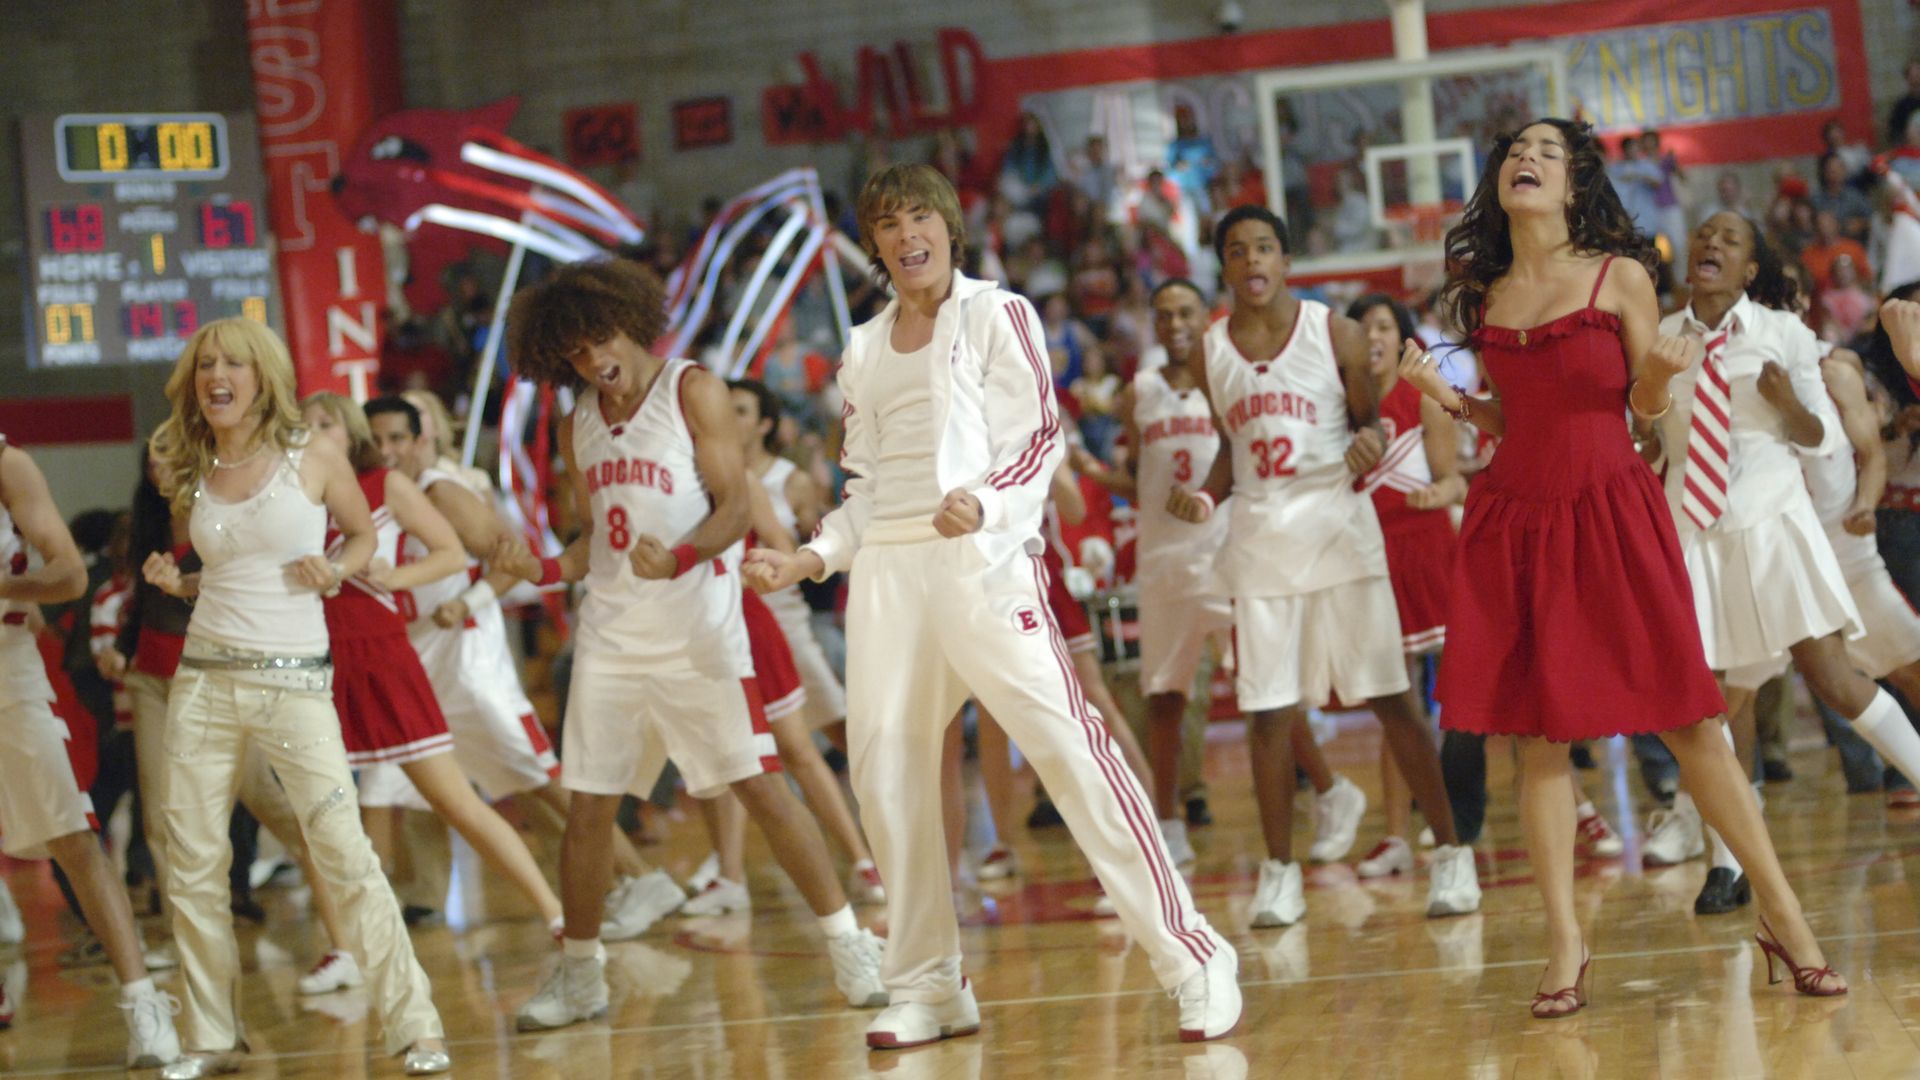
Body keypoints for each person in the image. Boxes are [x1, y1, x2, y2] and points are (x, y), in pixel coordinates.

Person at [744, 163, 1239, 1047]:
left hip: (981, 565)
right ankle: (929, 984)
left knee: (1072, 757)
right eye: (888, 223)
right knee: (887, 782)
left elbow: (1040, 438)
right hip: (887, 582)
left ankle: (1194, 955)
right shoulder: (860, 349)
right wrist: (811, 556)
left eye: (919, 215)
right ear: (875, 245)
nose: (906, 234)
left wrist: (985, 501)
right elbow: (865, 486)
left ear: (948, 227)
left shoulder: (995, 312)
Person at [1395, 119, 1845, 1017]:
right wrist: (1451, 400)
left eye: (1548, 152)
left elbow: (1643, 414)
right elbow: (1517, 421)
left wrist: (1655, 382)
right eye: (1516, 150)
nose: (1527, 159)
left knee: (1690, 721)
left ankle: (1785, 915)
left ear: (1575, 183)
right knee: (1538, 739)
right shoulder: (1482, 293)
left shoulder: (1620, 276)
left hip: (1611, 511)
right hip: (1513, 518)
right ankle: (1566, 938)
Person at [491, 257, 886, 1034]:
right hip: (611, 634)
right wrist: (535, 568)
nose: (590, 360)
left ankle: (850, 944)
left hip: (699, 630)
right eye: (571, 352)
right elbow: (589, 543)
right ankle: (581, 975)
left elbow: (737, 507)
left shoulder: (692, 389)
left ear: (630, 323)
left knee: (763, 788)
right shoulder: (579, 423)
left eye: (598, 339)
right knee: (588, 811)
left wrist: (678, 556)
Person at [143, 318, 447, 1076]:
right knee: (192, 863)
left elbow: (362, 536)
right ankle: (212, 1037)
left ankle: (415, 1028)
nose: (217, 376)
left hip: (296, 678)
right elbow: (217, 568)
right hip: (204, 678)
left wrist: (340, 568)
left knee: (345, 852)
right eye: (205, 365)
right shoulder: (194, 468)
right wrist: (173, 580)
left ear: (262, 377)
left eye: (232, 364)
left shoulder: (313, 455)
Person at [1166, 205, 1479, 923]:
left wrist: (1367, 443)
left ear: (1285, 259)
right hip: (1261, 540)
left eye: (1265, 248)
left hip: (1338, 530)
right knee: (1268, 711)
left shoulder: (1330, 329)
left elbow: (1369, 419)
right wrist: (1205, 499)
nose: (1252, 262)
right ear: (1225, 266)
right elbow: (1228, 449)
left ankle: (1452, 854)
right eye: (1238, 251)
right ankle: (1279, 872)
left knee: (1390, 696)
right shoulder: (1213, 350)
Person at [1637, 212, 1920, 913]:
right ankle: (1725, 862)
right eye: (1703, 235)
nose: (1710, 245)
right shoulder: (1660, 334)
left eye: (1730, 240)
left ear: (1751, 270)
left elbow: (1820, 437)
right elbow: (1647, 438)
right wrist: (1650, 389)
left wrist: (1786, 401)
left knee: (1831, 675)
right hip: (1694, 528)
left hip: (1771, 519)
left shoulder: (1784, 334)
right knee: (1711, 703)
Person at [359, 394, 689, 947]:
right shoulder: (381, 495)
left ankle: (642, 879)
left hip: (466, 662)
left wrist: (466, 601)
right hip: (419, 661)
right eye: (379, 440)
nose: (389, 451)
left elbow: (514, 557)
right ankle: (370, 928)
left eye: (399, 439)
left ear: (421, 440)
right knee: (395, 787)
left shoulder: (442, 491)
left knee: (542, 779)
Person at [1075, 279, 1366, 868]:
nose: (1174, 323)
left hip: (1229, 553)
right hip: (1164, 566)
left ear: (1204, 319)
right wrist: (1099, 475)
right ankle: (1167, 824)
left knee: (1266, 691)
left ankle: (1333, 791)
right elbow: (1145, 482)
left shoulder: (1229, 379)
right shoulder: (1138, 393)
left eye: (1184, 312)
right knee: (1164, 700)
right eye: (1163, 315)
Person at [298, 393, 567, 957]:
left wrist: (392, 578)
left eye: (325, 424)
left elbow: (451, 553)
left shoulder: (388, 488)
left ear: (350, 435)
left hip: (391, 655)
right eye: (304, 425)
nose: (312, 433)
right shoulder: (292, 498)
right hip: (321, 662)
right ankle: (346, 950)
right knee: (331, 818)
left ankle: (557, 913)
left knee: (459, 803)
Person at [0, 434, 181, 1068]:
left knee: (73, 836)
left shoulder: (8, 464)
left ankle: (143, 1003)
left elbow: (70, 573)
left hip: (7, 669)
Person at [725, 379, 883, 903]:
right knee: (739, 752)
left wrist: (800, 530)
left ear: (765, 422)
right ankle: (728, 873)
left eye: (742, 409)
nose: (729, 415)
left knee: (834, 736)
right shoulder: (708, 472)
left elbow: (808, 546)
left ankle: (875, 841)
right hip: (727, 623)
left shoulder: (784, 478)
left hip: (784, 618)